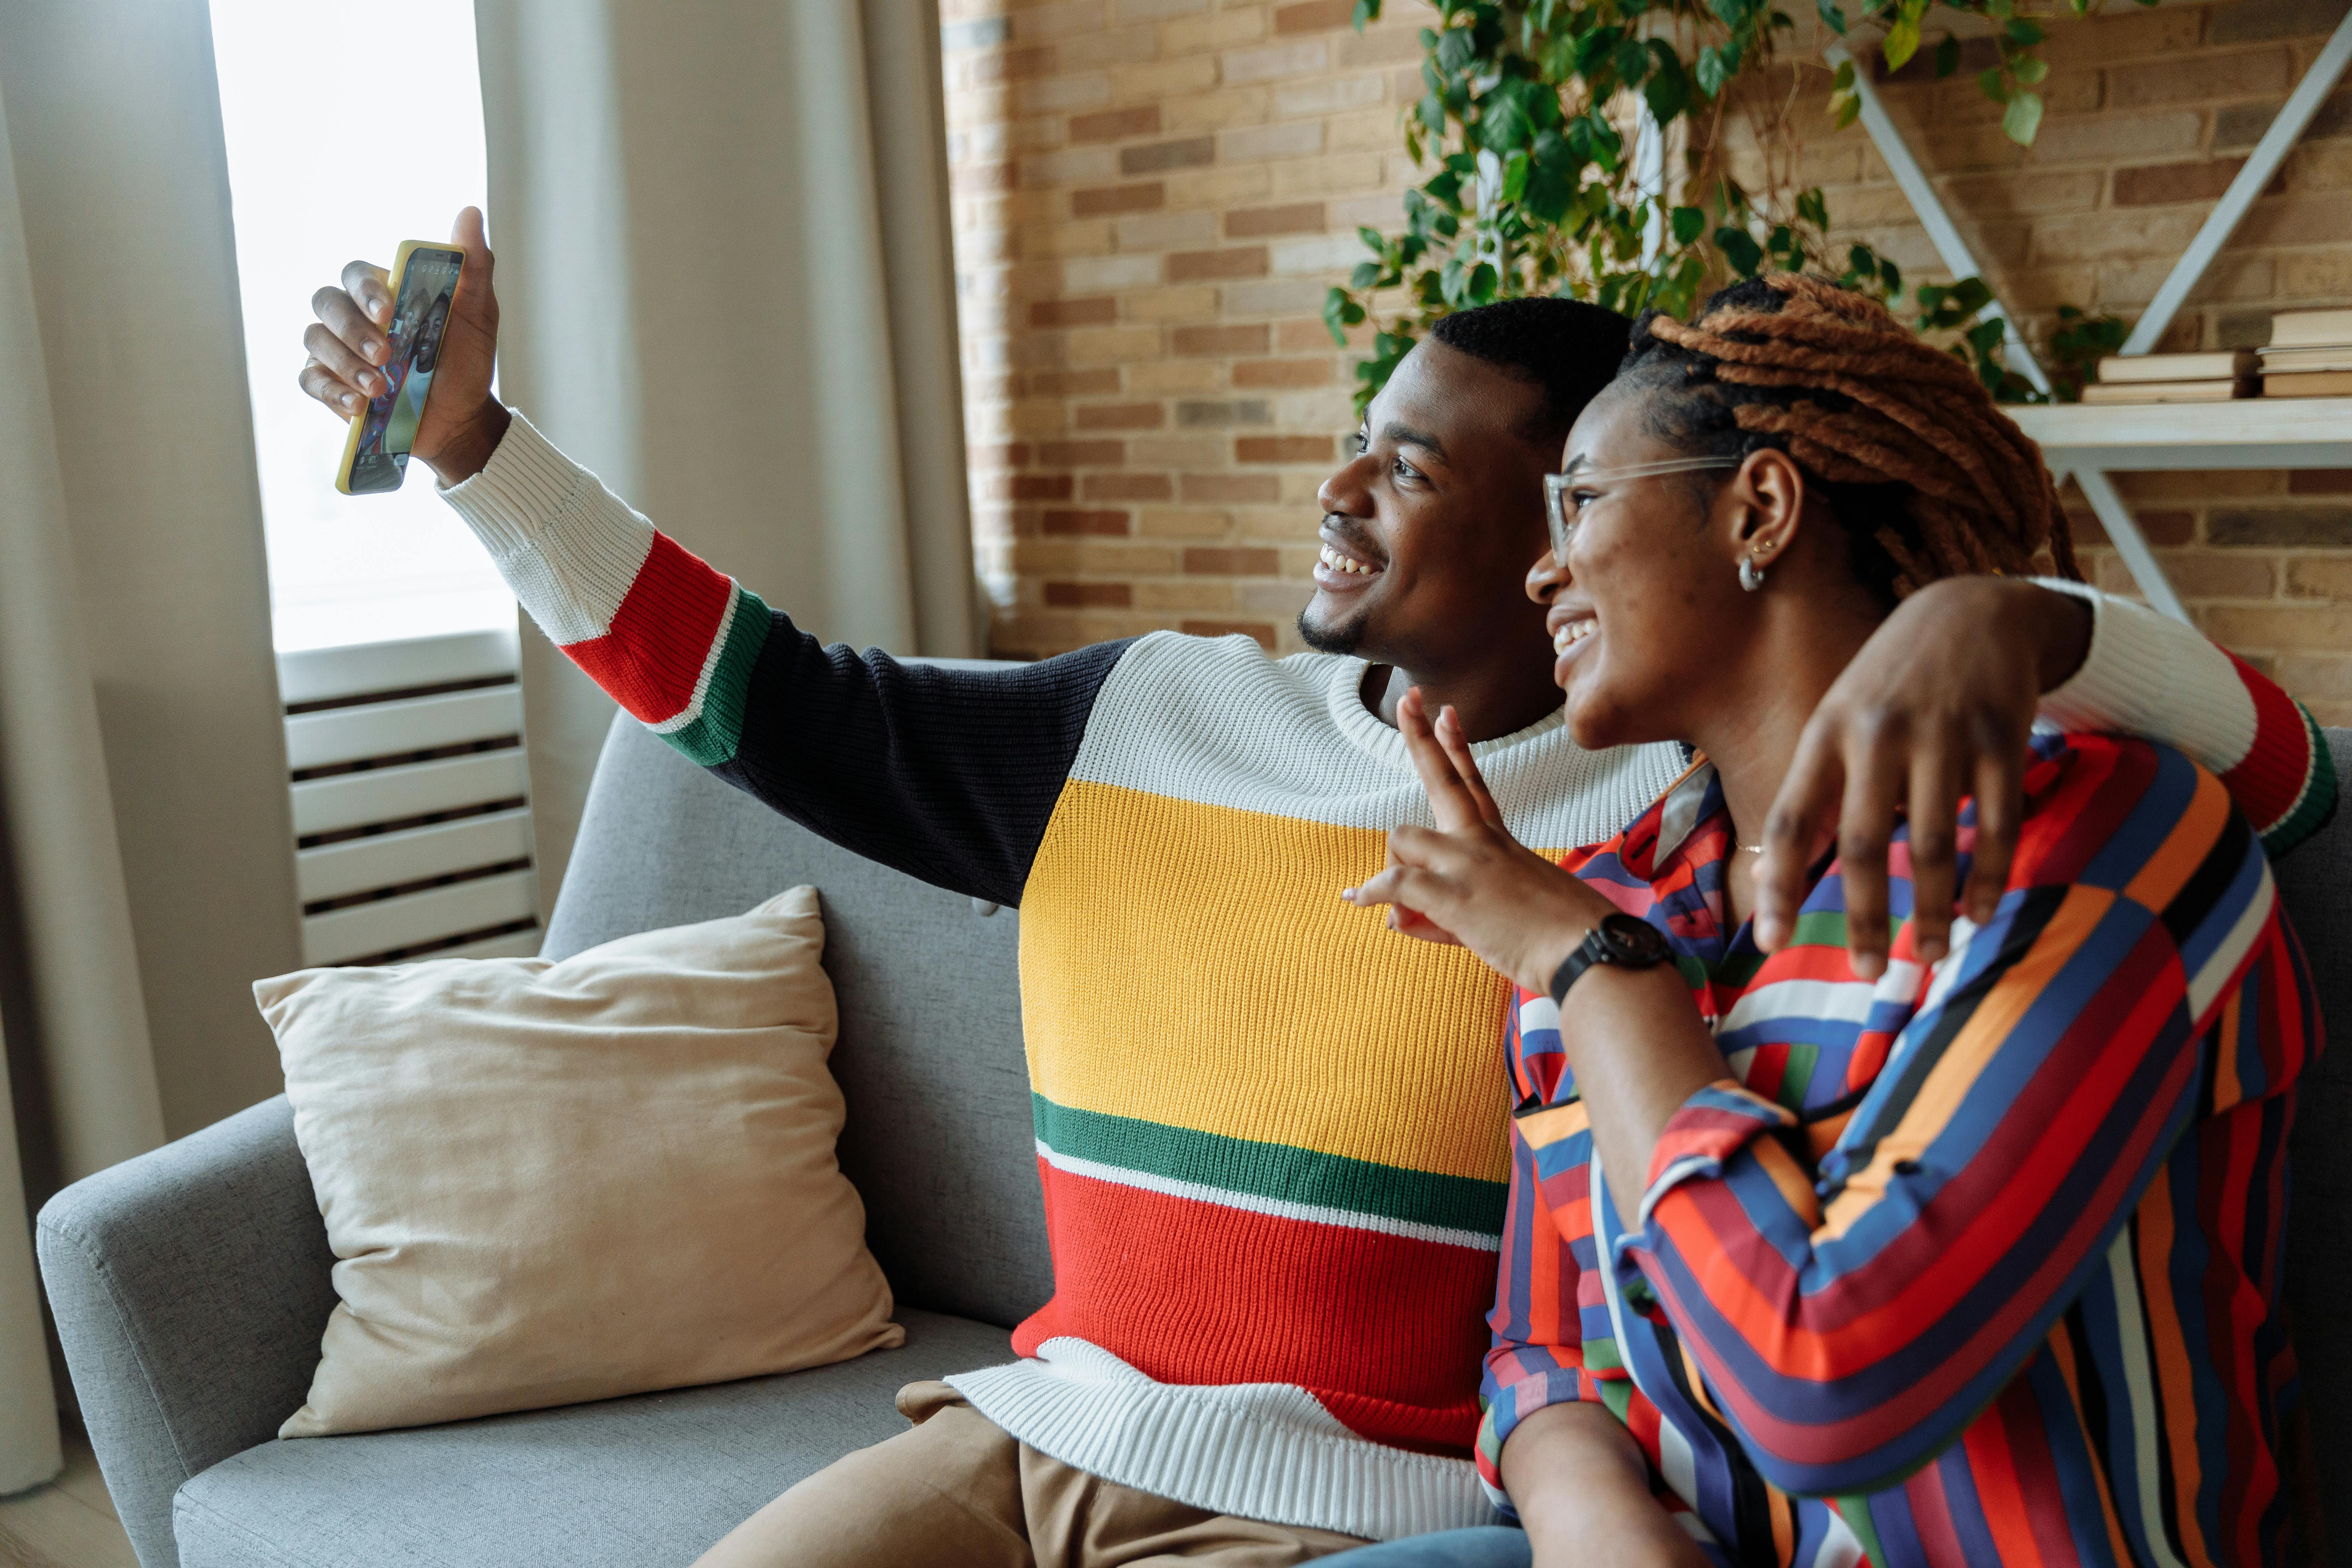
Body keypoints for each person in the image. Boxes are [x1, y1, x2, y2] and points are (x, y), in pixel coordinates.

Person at [296, 213, 2331, 1564]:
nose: (1341, 486)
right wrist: (483, 455)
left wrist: (2012, 616)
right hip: (1029, 1426)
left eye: (1419, 464)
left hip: (1351, 1499)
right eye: (1357, 442)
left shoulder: (1649, 819)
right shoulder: (1164, 722)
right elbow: (771, 707)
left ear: (1597, 523)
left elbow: (2270, 765)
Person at [1338, 275, 2320, 1568]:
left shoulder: (2092, 838)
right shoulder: (1620, 891)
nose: (1541, 566)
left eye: (1578, 502)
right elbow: (1537, 1345)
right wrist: (1608, 1533)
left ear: (1759, 507)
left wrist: (1601, 980)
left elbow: (1830, 1387)